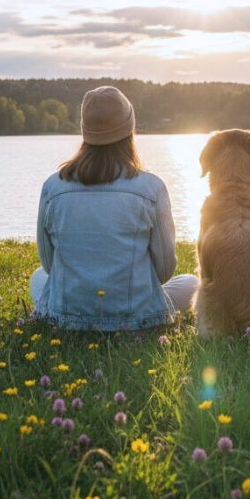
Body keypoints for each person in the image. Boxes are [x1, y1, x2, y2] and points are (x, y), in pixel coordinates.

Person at [30, 86, 197, 330]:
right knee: (192, 283)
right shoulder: (152, 188)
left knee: (38, 277)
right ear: (130, 131)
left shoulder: (53, 187)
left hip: (68, 316)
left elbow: (49, 264)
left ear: (84, 132)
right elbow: (163, 271)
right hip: (136, 317)